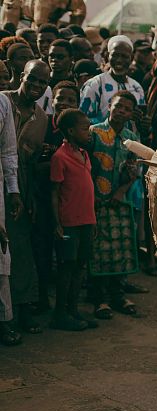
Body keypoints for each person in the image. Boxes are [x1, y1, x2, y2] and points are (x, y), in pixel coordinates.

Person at [3, 60, 50, 336]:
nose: (35, 86)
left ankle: (19, 312)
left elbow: (29, 164)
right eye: (31, 79)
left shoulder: (42, 118)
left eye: (41, 83)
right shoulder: (2, 102)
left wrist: (26, 196)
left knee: (18, 251)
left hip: (17, 190)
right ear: (20, 76)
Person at [87, 91, 141, 320]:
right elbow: (85, 165)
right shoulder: (94, 132)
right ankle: (99, 298)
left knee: (119, 247)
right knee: (97, 248)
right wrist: (92, 194)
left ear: (131, 114)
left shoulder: (131, 137)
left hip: (119, 200)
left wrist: (121, 191)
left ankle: (118, 295)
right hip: (94, 200)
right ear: (109, 105)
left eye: (127, 109)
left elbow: (133, 170)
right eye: (118, 106)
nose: (121, 111)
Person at [34, 80, 80, 313]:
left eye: (71, 100)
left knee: (67, 258)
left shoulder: (80, 133)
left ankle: (66, 305)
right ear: (52, 100)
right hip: (43, 200)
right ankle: (42, 297)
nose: (64, 103)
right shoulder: (42, 126)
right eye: (60, 98)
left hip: (70, 205)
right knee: (42, 252)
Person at [49, 108, 95, 331]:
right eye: (84, 129)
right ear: (70, 130)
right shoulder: (60, 157)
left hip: (87, 220)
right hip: (69, 222)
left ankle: (72, 309)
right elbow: (55, 193)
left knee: (80, 266)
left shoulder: (85, 154)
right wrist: (57, 223)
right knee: (67, 267)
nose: (89, 132)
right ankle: (60, 313)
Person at [79, 36, 146, 125]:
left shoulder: (137, 87)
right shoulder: (95, 85)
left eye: (124, 56)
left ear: (132, 58)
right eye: (115, 55)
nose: (119, 60)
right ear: (108, 56)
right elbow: (82, 120)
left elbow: (139, 122)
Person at [0, 90, 21, 346]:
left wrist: (13, 191)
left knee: (1, 253)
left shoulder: (3, 102)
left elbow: (8, 150)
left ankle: (5, 321)